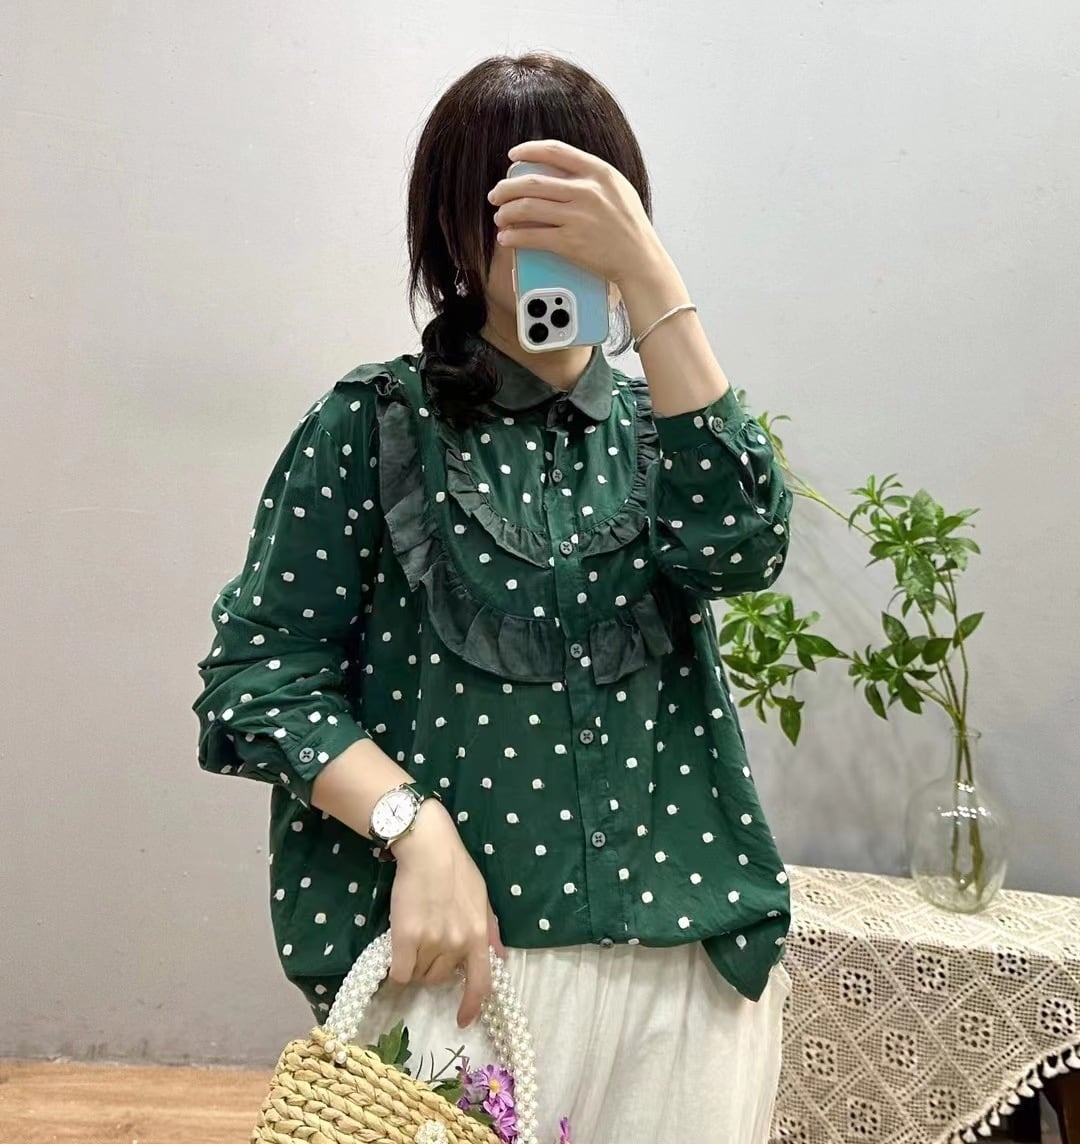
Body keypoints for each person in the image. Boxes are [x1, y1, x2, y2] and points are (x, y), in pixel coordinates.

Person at [193, 52, 794, 1143]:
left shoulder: (670, 428)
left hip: (688, 967)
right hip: (463, 969)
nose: (556, 237)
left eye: (589, 204)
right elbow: (259, 675)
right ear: (456, 231)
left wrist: (656, 288)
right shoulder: (373, 424)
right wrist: (411, 825)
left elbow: (745, 549)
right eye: (519, 207)